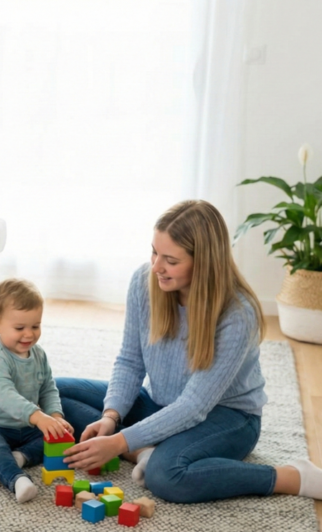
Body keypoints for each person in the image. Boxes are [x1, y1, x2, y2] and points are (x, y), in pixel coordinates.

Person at [57, 199, 322, 503]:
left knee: (165, 475)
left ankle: (291, 477)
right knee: (52, 392)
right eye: (154, 252)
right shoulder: (144, 282)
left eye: (170, 260)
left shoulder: (238, 314)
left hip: (228, 418)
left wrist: (118, 442)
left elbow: (195, 405)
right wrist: (111, 416)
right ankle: (142, 451)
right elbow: (130, 361)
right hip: (160, 403)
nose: (156, 266)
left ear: (204, 262)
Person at [0, 278, 74, 503]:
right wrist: (38, 416)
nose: (29, 334)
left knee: (61, 434)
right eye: (19, 328)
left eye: (35, 326)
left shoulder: (39, 354)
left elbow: (48, 388)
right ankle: (17, 479)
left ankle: (20, 457)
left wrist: (55, 416)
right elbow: (7, 397)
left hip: (24, 426)